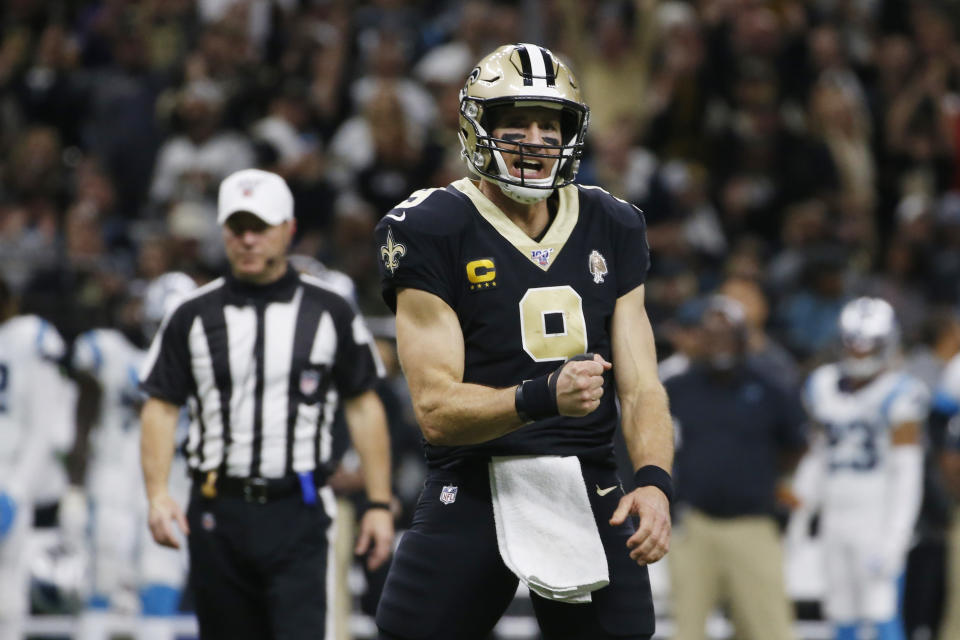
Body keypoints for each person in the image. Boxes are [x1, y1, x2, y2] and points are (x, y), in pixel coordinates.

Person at [373, 43, 673, 640]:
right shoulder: (430, 227)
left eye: (549, 124)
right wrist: (542, 397)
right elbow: (435, 411)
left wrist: (655, 482)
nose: (535, 139)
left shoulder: (613, 223)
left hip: (587, 477)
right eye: (515, 124)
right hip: (476, 472)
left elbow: (641, 387)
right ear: (475, 127)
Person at [139, 168, 395, 640]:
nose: (249, 240)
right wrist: (157, 494)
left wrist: (378, 502)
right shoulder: (192, 315)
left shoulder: (329, 311)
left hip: (298, 510)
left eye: (261, 227)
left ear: (288, 229)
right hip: (218, 509)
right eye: (238, 228)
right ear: (223, 232)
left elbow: (364, 404)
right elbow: (160, 406)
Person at [665, 295, 806, 640]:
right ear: (700, 339)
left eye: (727, 334)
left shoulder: (771, 388)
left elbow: (797, 445)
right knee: (687, 630)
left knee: (769, 629)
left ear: (744, 338)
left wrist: (775, 486)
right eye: (711, 335)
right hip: (693, 526)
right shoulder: (676, 388)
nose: (719, 343)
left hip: (753, 524)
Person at [71, 272, 197, 640]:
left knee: (161, 583)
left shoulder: (207, 370)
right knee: (103, 578)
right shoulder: (113, 352)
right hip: (116, 481)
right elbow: (83, 409)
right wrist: (74, 487)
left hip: (175, 485)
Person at [800, 297, 928, 640]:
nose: (859, 353)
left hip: (876, 515)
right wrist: (802, 507)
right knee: (840, 612)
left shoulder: (901, 393)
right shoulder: (823, 385)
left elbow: (908, 474)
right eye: (853, 344)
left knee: (880, 611)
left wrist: (896, 538)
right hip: (835, 515)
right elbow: (818, 455)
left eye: (868, 346)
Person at [0, 279, 77, 640]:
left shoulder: (28, 338)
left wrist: (14, 491)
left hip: (17, 478)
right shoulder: (29, 339)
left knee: (12, 600)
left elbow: (46, 426)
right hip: (18, 478)